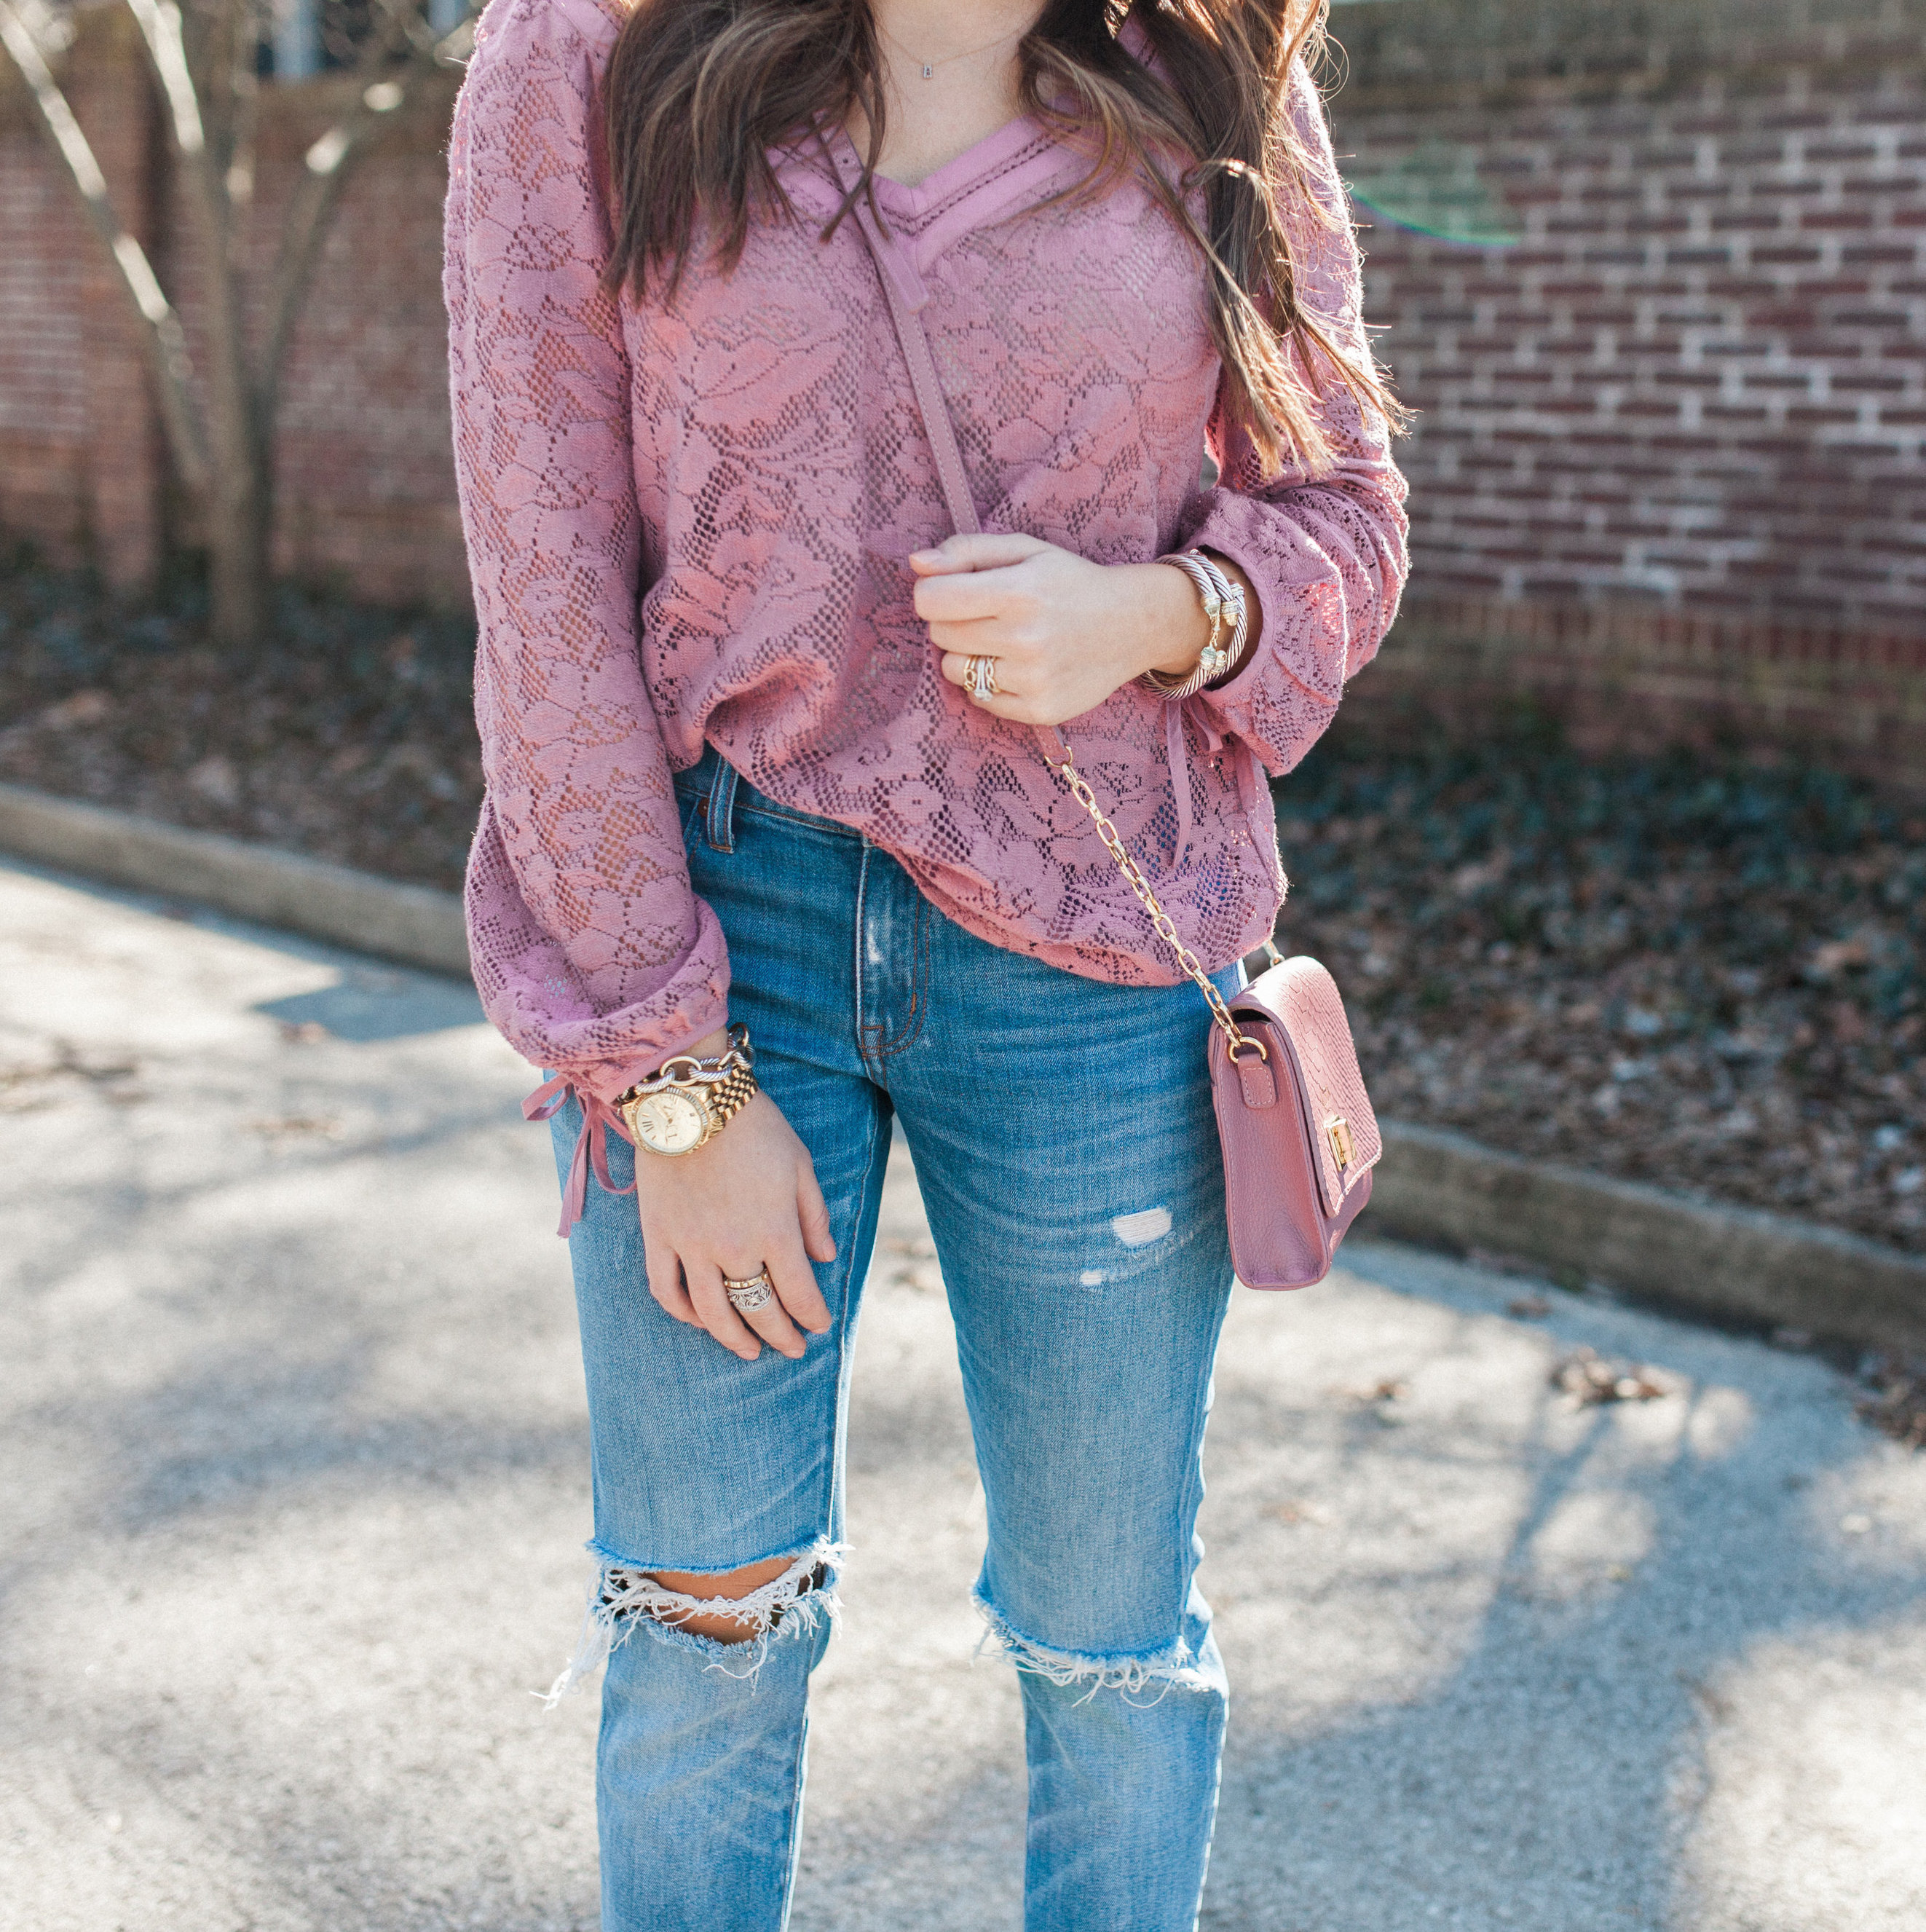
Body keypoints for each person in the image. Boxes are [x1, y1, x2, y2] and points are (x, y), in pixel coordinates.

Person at [443, 0, 1406, 1922]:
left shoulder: (1202, 70)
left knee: (1108, 1643)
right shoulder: (584, 51)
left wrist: (1158, 611)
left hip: (1098, 954)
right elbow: (540, 573)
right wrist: (668, 1064)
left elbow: (1341, 512)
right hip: (729, 929)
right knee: (701, 1618)